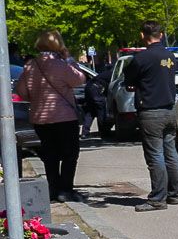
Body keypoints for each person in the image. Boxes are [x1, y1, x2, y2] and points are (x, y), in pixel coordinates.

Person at [14, 30, 86, 202]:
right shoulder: (61, 65)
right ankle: (66, 189)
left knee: (50, 155)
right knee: (70, 154)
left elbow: (21, 92)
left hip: (40, 119)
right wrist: (69, 59)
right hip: (64, 117)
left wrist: (36, 96)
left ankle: (53, 190)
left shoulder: (31, 66)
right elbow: (80, 79)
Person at [123, 21, 178, 212]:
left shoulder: (142, 58)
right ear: (162, 34)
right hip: (169, 110)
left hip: (151, 112)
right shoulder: (169, 55)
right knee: (171, 153)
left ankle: (158, 198)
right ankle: (175, 194)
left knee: (155, 155)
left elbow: (128, 79)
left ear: (143, 35)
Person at [81, 64, 111, 138]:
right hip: (96, 89)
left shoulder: (105, 74)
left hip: (89, 87)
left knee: (90, 111)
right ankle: (103, 132)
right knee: (101, 110)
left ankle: (85, 132)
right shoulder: (113, 75)